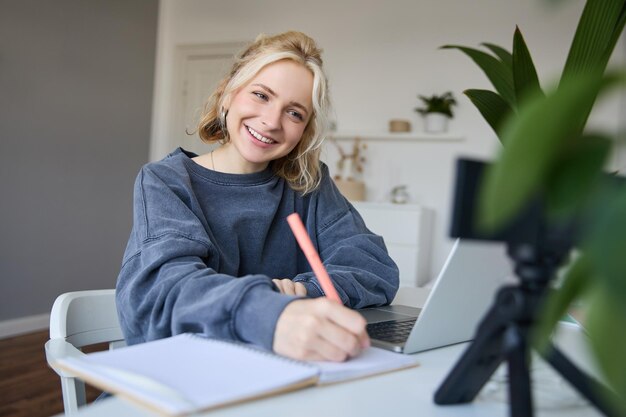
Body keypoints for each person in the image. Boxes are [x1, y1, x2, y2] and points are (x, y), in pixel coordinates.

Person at [116, 31, 399, 362]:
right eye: (261, 95)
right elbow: (165, 290)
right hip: (186, 371)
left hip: (287, 371)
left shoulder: (309, 184)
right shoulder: (166, 182)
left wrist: (308, 290)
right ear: (227, 95)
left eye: (294, 113)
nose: (271, 121)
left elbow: (374, 268)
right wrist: (271, 310)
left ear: (304, 130)